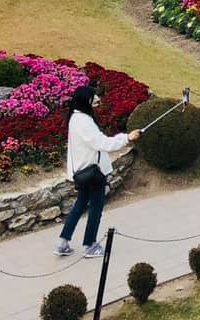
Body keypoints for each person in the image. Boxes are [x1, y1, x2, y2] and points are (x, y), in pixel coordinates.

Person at [55, 85, 141, 257]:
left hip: (83, 171)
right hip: (93, 173)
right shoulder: (84, 122)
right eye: (92, 97)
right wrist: (127, 138)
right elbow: (103, 143)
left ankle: (63, 243)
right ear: (85, 101)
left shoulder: (75, 117)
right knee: (95, 208)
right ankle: (90, 245)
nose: (96, 100)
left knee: (79, 205)